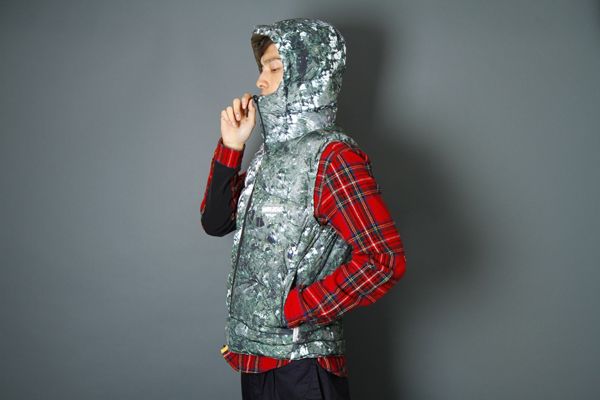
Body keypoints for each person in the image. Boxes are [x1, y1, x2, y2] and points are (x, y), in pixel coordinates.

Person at [200, 18, 407, 400]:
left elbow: (384, 259)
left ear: (308, 75)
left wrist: (294, 309)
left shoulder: (333, 158)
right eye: (262, 68)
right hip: (255, 360)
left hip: (303, 368)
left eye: (274, 68)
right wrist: (232, 146)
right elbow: (215, 222)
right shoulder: (269, 158)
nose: (261, 81)